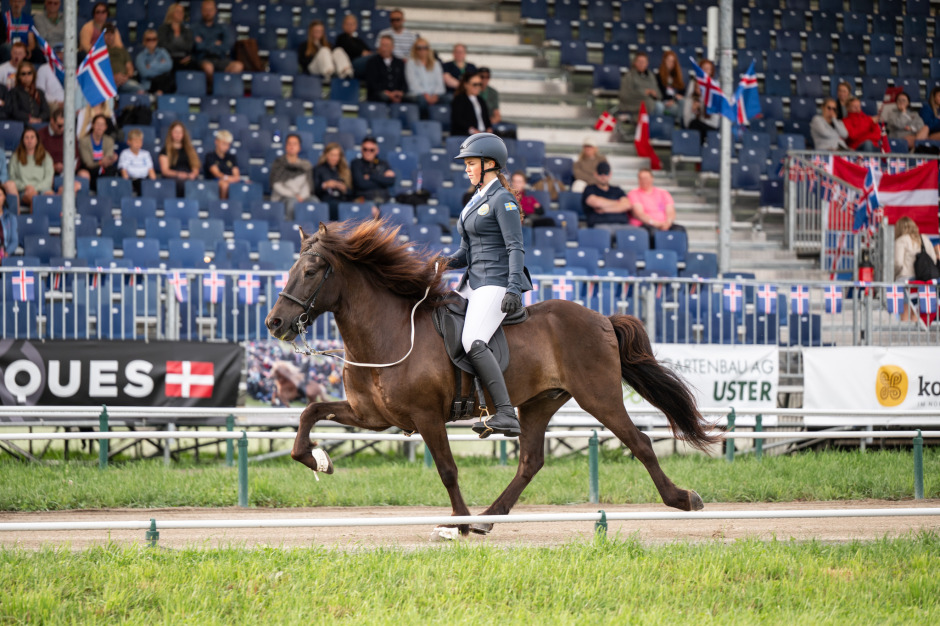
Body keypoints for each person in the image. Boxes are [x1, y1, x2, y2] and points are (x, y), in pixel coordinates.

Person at [445, 133, 531, 438]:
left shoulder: (503, 200)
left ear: (489, 163)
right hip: (473, 281)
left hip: (495, 282)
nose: (466, 169)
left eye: (471, 163)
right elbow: (465, 251)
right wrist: (440, 263)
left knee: (473, 340)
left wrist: (513, 288)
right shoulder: (475, 200)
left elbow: (515, 247)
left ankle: (505, 412)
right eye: (466, 164)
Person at [894, 216, 939, 321]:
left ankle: (905, 332)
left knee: (905, 314)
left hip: (905, 280)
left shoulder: (901, 240)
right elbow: (933, 260)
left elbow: (898, 263)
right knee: (916, 313)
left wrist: (894, 275)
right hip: (923, 281)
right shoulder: (924, 239)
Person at [193, 0, 242, 93]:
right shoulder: (195, 27)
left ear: (215, 11)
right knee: (208, 67)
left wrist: (205, 43)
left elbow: (227, 45)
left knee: (238, 66)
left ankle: (223, 88)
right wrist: (215, 44)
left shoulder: (223, 27)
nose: (208, 13)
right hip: (203, 58)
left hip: (221, 59)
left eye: (210, 10)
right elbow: (197, 46)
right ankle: (215, 90)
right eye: (206, 10)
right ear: (201, 11)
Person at [627, 168, 686, 245]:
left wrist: (668, 223)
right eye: (641, 178)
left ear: (652, 178)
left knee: (680, 230)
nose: (643, 180)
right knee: (654, 232)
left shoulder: (663, 193)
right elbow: (639, 214)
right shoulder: (633, 193)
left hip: (665, 224)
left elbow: (671, 211)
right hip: (645, 224)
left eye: (646, 178)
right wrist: (656, 224)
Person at [270, 133, 315, 220]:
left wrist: (301, 196)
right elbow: (276, 185)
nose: (292, 146)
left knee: (314, 201)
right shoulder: (279, 163)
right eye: (289, 144)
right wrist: (294, 196)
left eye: (295, 144)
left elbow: (308, 184)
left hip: (302, 196)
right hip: (282, 197)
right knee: (292, 202)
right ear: (286, 146)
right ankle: (291, 225)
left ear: (299, 147)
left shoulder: (305, 165)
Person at [9, 127, 54, 209]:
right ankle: (37, 217)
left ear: (37, 140)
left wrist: (35, 188)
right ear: (23, 140)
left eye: (32, 137)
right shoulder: (15, 157)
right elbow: (12, 178)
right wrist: (25, 187)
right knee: (33, 197)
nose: (29, 140)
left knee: (51, 196)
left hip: (42, 189)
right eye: (26, 138)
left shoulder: (46, 156)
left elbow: (49, 179)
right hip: (24, 190)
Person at [582, 161, 632, 234]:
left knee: (639, 233)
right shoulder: (590, 189)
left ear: (610, 174)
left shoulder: (617, 190)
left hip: (622, 224)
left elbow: (627, 205)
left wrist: (605, 209)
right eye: (600, 173)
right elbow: (597, 203)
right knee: (605, 233)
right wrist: (618, 203)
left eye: (606, 173)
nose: (603, 176)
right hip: (600, 224)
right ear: (595, 174)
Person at [682, 57, 721, 142]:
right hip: (696, 124)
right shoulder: (693, 86)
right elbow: (687, 119)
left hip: (710, 125)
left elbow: (715, 120)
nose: (706, 71)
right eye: (704, 68)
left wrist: (702, 105)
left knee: (695, 124)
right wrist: (693, 110)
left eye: (708, 69)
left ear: (711, 71)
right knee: (694, 124)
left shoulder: (715, 88)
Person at [405, 37, 445, 118]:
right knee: (422, 100)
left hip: (435, 94)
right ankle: (425, 121)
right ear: (415, 50)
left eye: (425, 48)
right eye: (419, 48)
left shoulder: (436, 63)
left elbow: (440, 83)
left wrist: (435, 95)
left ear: (428, 49)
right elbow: (413, 84)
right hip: (418, 94)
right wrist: (426, 95)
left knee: (449, 98)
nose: (422, 50)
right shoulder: (411, 63)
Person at [158, 120, 200, 196]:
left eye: (180, 132)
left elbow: (195, 166)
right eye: (175, 132)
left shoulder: (190, 149)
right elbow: (165, 171)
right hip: (173, 178)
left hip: (189, 177)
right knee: (182, 184)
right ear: (171, 133)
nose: (178, 134)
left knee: (197, 185)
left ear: (183, 134)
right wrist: (178, 174)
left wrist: (193, 174)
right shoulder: (165, 151)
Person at [78, 113, 118, 191]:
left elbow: (108, 158)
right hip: (90, 169)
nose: (100, 127)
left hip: (103, 168)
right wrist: (102, 162)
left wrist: (110, 159)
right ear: (93, 125)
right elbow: (88, 163)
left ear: (106, 127)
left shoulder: (109, 140)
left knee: (111, 170)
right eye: (98, 124)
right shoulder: (84, 141)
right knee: (84, 173)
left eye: (102, 125)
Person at [314, 142, 352, 219]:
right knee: (335, 206)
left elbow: (352, 192)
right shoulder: (318, 169)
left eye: (337, 155)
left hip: (343, 200)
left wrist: (344, 189)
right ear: (326, 155)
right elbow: (314, 189)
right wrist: (326, 185)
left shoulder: (344, 170)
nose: (335, 158)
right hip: (327, 200)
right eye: (332, 155)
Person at [351, 136, 395, 203]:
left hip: (383, 199)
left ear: (377, 151)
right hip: (364, 200)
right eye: (365, 149)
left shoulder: (383, 163)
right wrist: (382, 180)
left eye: (371, 150)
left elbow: (391, 181)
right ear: (361, 150)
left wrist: (371, 177)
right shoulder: (356, 163)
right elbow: (361, 184)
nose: (368, 152)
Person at [363, 34, 406, 104]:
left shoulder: (399, 63)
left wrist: (399, 92)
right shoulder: (372, 62)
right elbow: (371, 83)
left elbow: (404, 81)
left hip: (397, 95)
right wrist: (388, 94)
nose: (384, 49)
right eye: (382, 45)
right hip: (378, 95)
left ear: (392, 47)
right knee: (382, 96)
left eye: (386, 46)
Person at [103, 23, 143, 94]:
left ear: (114, 35)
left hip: (123, 81)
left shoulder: (122, 51)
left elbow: (130, 70)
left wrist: (124, 78)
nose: (109, 36)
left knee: (139, 89)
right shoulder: (99, 52)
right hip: (106, 82)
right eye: (106, 34)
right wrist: (112, 78)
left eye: (111, 34)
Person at [618, 52, 660, 120]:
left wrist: (654, 93)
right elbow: (624, 95)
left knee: (659, 105)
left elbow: (658, 93)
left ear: (647, 63)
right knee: (651, 105)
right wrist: (643, 92)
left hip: (650, 103)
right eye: (639, 61)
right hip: (632, 104)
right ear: (635, 63)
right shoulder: (629, 76)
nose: (641, 64)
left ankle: (656, 124)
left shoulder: (651, 76)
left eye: (643, 62)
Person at [203, 129, 242, 200]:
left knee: (250, 184)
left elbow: (236, 175)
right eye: (224, 143)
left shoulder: (231, 157)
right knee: (224, 185)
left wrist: (232, 179)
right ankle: (223, 204)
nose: (226, 147)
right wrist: (228, 178)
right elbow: (217, 173)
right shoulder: (210, 156)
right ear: (216, 141)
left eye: (228, 144)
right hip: (214, 181)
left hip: (231, 180)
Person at [451, 71, 492, 136]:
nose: (478, 87)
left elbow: (486, 119)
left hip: (482, 134)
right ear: (466, 85)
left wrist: (489, 129)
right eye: (475, 84)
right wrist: (473, 131)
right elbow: (458, 120)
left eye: (480, 84)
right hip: (466, 135)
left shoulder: (480, 100)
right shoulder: (459, 99)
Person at [135, 28, 175, 94]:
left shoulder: (163, 52)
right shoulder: (140, 57)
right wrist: (161, 65)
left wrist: (151, 65)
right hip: (148, 86)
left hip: (164, 85)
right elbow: (145, 73)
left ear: (157, 40)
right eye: (148, 39)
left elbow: (169, 66)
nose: (152, 41)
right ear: (144, 41)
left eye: (154, 39)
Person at [118, 127, 156, 195]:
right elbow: (124, 171)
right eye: (135, 141)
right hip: (132, 180)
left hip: (145, 180)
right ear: (129, 141)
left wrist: (153, 184)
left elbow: (150, 170)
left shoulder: (146, 154)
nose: (138, 143)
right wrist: (127, 185)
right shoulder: (125, 153)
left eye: (140, 141)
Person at [158, 3, 196, 71]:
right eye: (177, 11)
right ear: (171, 13)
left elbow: (189, 47)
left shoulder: (187, 30)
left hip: (185, 58)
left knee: (193, 62)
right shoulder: (163, 29)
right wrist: (181, 47)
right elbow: (163, 46)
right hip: (168, 58)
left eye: (182, 11)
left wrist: (174, 47)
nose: (180, 14)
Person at [334, 14, 372, 79]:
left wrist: (366, 53)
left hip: (360, 63)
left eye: (352, 24)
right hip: (350, 64)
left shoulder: (358, 40)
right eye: (347, 24)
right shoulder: (341, 38)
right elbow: (350, 49)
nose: (349, 26)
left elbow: (368, 51)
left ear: (356, 26)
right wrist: (361, 52)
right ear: (343, 25)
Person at [2, 0, 38, 64]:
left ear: (24, 3)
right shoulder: (4, 18)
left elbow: (31, 42)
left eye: (19, 1)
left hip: (24, 49)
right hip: (9, 49)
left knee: (37, 52)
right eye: (14, 1)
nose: (16, 4)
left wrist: (27, 49)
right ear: (10, 3)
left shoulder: (28, 19)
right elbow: (2, 40)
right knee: (8, 48)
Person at [656, 51, 684, 117]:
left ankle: (678, 122)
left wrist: (674, 100)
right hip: (664, 102)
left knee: (684, 103)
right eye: (668, 60)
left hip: (675, 102)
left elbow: (682, 91)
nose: (670, 63)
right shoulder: (658, 76)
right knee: (678, 109)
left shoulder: (677, 77)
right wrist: (672, 99)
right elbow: (660, 93)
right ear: (664, 61)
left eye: (672, 61)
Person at [0, 148, 20, 216]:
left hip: (0, 182)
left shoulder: (1, 152)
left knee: (11, 185)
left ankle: (17, 218)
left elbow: (4, 174)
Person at [0, 189, 16, 259]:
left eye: (0, 195)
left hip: (6, 254)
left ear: (4, 197)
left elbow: (14, 241)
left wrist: (5, 254)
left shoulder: (11, 218)